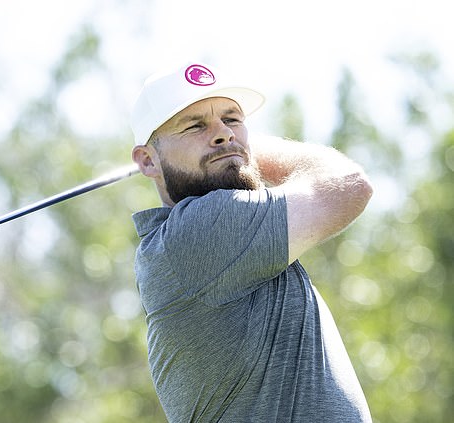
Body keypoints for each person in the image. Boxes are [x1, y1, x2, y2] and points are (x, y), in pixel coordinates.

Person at [129, 62, 374, 422]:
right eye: (195, 125)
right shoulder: (200, 231)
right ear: (148, 161)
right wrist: (243, 148)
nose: (222, 134)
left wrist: (231, 148)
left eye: (232, 120)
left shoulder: (193, 242)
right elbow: (348, 185)